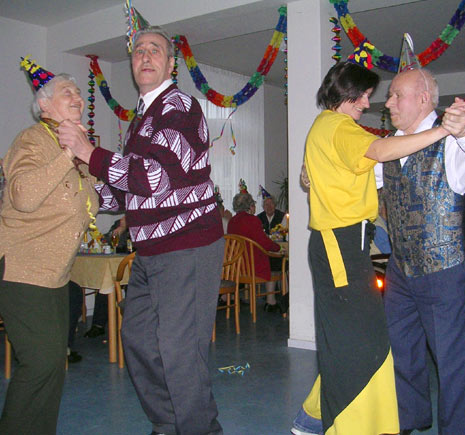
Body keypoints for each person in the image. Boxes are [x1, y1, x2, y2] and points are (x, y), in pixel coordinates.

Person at [59, 24, 225, 434]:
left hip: (187, 245)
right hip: (152, 251)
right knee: (137, 340)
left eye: (155, 51)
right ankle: (169, 423)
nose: (145, 56)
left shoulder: (179, 107)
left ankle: (199, 429)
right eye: (138, 52)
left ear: (171, 64)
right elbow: (127, 196)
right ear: (133, 65)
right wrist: (88, 175)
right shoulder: (141, 120)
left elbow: (153, 179)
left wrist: (90, 153)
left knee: (179, 351)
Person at [293, 54, 465, 435]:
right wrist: (442, 131)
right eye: (365, 96)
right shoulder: (339, 127)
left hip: (343, 243)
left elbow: (365, 168)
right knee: (361, 339)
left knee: (351, 337)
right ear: (349, 94)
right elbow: (382, 151)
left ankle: (311, 419)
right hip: (339, 244)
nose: (369, 104)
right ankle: (346, 425)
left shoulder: (327, 127)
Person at [381, 42, 465, 434]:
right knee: (401, 351)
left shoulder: (452, 141)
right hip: (401, 269)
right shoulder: (389, 149)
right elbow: (355, 177)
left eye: (395, 95)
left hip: (444, 270)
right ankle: (410, 418)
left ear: (423, 99)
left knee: (452, 362)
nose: (388, 103)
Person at [0, 59, 99, 434]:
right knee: (40, 362)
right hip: (23, 270)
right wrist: (68, 154)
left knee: (53, 363)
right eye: (67, 92)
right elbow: (23, 195)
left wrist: (87, 155)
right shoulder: (33, 140)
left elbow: (92, 201)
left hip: (56, 275)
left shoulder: (74, 144)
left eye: (77, 91)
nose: (76, 96)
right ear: (45, 106)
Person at [227, 190, 283, 312]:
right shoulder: (253, 221)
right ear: (250, 207)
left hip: (238, 267)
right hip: (253, 266)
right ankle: (271, 301)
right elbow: (265, 243)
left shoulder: (232, 222)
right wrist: (278, 248)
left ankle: (271, 300)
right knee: (281, 262)